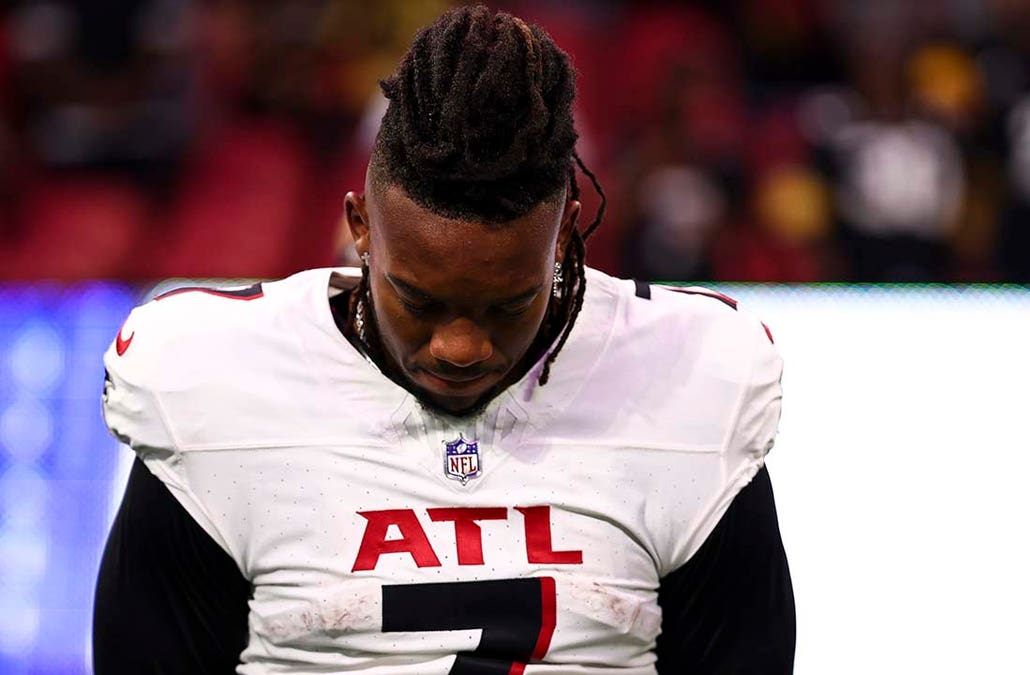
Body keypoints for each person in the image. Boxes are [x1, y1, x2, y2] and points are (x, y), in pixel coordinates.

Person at [94, 5, 794, 673]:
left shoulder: (691, 382)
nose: (461, 347)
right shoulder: (216, 387)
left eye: (507, 305)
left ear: (566, 238)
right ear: (360, 227)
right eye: (421, 301)